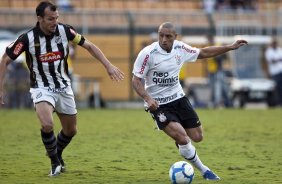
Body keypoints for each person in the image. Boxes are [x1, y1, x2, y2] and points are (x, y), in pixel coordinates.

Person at [0, 1, 124, 177]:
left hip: (64, 86)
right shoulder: (27, 39)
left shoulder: (65, 31)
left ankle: (55, 151)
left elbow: (89, 45)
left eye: (57, 18)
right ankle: (55, 162)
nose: (55, 22)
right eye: (51, 19)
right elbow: (5, 59)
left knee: (71, 130)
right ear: (39, 18)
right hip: (41, 87)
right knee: (47, 124)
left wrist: (108, 65)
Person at [132, 22, 247, 181]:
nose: (164, 39)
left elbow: (204, 52)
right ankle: (204, 170)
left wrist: (229, 47)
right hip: (158, 105)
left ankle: (183, 146)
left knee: (197, 137)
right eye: (161, 35)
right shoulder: (147, 53)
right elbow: (136, 81)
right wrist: (147, 98)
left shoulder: (180, 49)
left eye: (168, 36)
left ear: (175, 37)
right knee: (183, 138)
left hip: (179, 98)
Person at [206, 35, 231, 108]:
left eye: (210, 40)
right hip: (211, 72)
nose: (209, 41)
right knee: (213, 88)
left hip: (218, 71)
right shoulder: (208, 47)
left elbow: (223, 57)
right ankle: (216, 102)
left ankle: (220, 103)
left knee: (219, 88)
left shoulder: (217, 47)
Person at [265, 37, 282, 106]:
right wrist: (278, 59)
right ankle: (278, 102)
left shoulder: (279, 50)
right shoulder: (269, 51)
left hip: (281, 71)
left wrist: (277, 59)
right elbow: (271, 61)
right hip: (275, 72)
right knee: (277, 88)